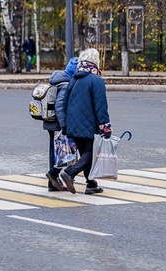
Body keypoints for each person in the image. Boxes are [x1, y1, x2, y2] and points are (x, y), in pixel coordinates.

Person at [58, 48, 111, 195]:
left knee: (86, 154)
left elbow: (65, 103)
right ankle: (69, 173)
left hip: (73, 124)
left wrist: (66, 125)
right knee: (92, 153)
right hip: (89, 125)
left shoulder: (74, 79)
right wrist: (105, 127)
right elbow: (100, 106)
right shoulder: (96, 80)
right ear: (95, 62)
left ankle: (91, 184)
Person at [43, 57, 78, 191]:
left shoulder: (58, 79)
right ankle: (54, 179)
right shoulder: (65, 84)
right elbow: (59, 106)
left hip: (51, 123)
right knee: (64, 152)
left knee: (55, 152)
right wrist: (64, 126)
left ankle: (53, 183)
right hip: (58, 124)